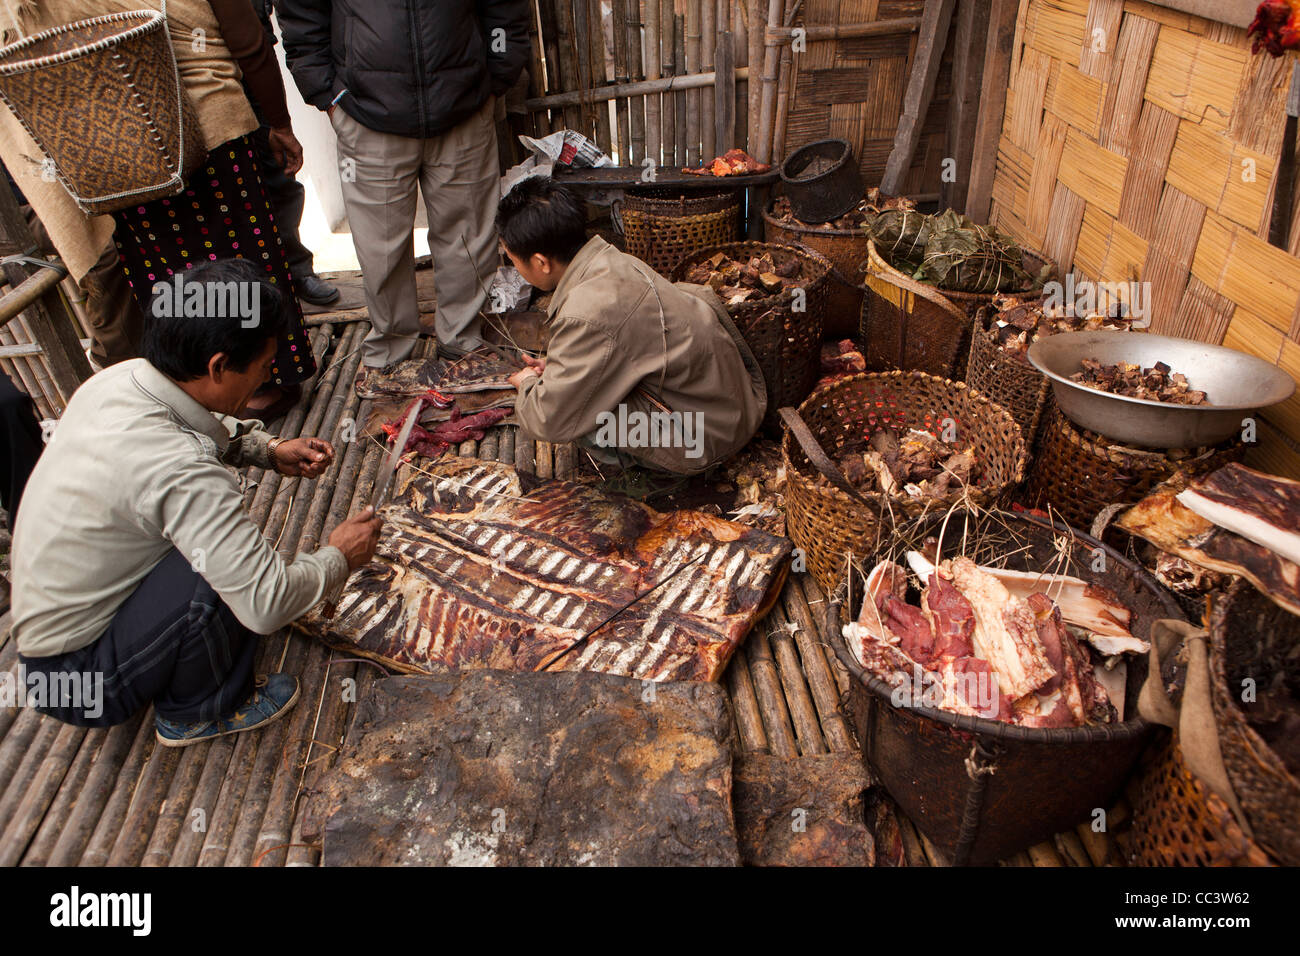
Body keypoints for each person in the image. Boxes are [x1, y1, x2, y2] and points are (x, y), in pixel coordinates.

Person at [10, 259, 382, 745]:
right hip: (79, 683)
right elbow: (266, 605)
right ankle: (194, 711)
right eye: (264, 366)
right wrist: (339, 556)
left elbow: (188, 423)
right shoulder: (182, 470)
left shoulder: (122, 378)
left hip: (63, 645)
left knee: (217, 550)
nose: (266, 376)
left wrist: (265, 449)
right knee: (220, 571)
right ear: (218, 366)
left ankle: (167, 658)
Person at [1, 0, 318, 417]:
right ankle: (267, 380)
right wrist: (279, 122)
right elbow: (250, 43)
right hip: (213, 130)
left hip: (124, 147)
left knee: (171, 281)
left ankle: (198, 389)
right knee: (243, 262)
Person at [277, 0, 531, 378]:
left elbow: (504, 10)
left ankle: (462, 341)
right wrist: (327, 96)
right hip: (365, 115)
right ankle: (390, 353)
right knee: (379, 244)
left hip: (465, 106)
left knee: (468, 238)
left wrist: (497, 76)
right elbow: (302, 15)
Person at [496, 177, 767, 475]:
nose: (517, 271)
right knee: (581, 393)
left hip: (706, 439)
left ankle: (660, 472)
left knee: (577, 416)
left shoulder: (583, 314)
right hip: (734, 408)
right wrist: (557, 364)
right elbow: (624, 338)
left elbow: (548, 418)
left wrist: (527, 385)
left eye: (514, 262)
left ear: (541, 262)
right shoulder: (613, 260)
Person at [244, 0, 339, 307]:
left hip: (248, 63)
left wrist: (281, 124)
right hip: (190, 79)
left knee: (278, 176)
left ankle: (296, 269)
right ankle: (248, 288)